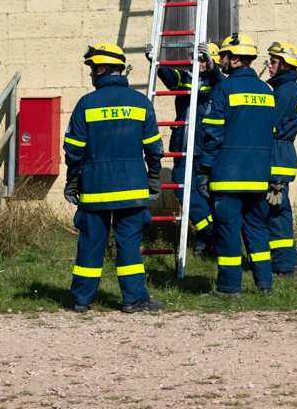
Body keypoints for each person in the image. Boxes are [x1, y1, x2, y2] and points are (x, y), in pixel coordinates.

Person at [63, 42, 164, 314]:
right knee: (129, 244)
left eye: (93, 68)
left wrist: (73, 180)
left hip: (94, 190)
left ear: (103, 70)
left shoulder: (86, 103)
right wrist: (154, 177)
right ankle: (134, 299)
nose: (91, 74)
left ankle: (81, 300)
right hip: (132, 188)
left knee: (90, 243)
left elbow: (74, 150)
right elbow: (154, 148)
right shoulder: (141, 102)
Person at [197, 33, 274, 298]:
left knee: (228, 231)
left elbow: (213, 132)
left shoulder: (224, 89)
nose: (221, 62)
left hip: (228, 173)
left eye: (224, 57)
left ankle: (229, 288)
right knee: (257, 228)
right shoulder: (267, 91)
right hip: (259, 174)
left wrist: (205, 168)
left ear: (236, 59)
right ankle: (265, 285)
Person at [145, 40, 224, 257]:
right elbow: (170, 77)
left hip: (207, 150)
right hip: (183, 147)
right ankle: (211, 232)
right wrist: (156, 62)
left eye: (203, 60)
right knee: (182, 190)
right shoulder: (185, 79)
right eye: (196, 59)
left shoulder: (218, 84)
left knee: (208, 196)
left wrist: (211, 67)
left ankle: (204, 241)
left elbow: (218, 79)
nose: (198, 63)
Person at [265, 41, 297, 274]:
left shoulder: (285, 91)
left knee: (275, 214)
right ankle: (288, 262)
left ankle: (283, 266)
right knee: (279, 212)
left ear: (285, 66)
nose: (269, 65)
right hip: (280, 156)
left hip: (277, 159)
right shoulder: (284, 88)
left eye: (273, 62)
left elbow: (272, 124)